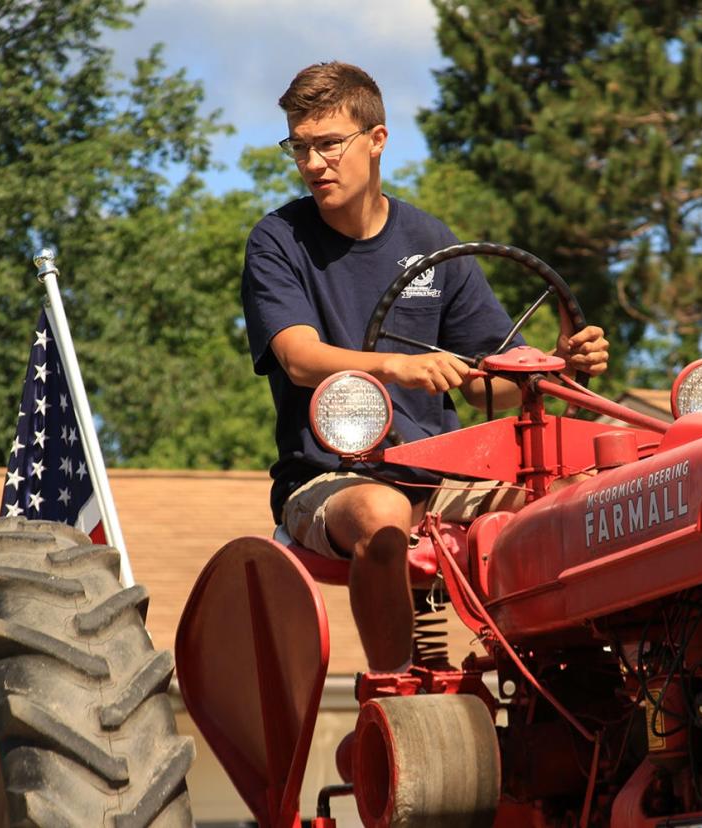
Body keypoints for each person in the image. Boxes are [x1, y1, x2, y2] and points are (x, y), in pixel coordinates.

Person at [241, 62, 609, 672]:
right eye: (299, 147)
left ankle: (562, 675)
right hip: (332, 475)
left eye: (329, 144)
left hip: (441, 474)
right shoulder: (279, 240)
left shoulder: (431, 242)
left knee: (569, 501)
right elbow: (299, 359)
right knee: (384, 515)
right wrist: (398, 368)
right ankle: (396, 687)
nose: (313, 163)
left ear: (377, 139)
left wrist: (559, 366)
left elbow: (497, 381)